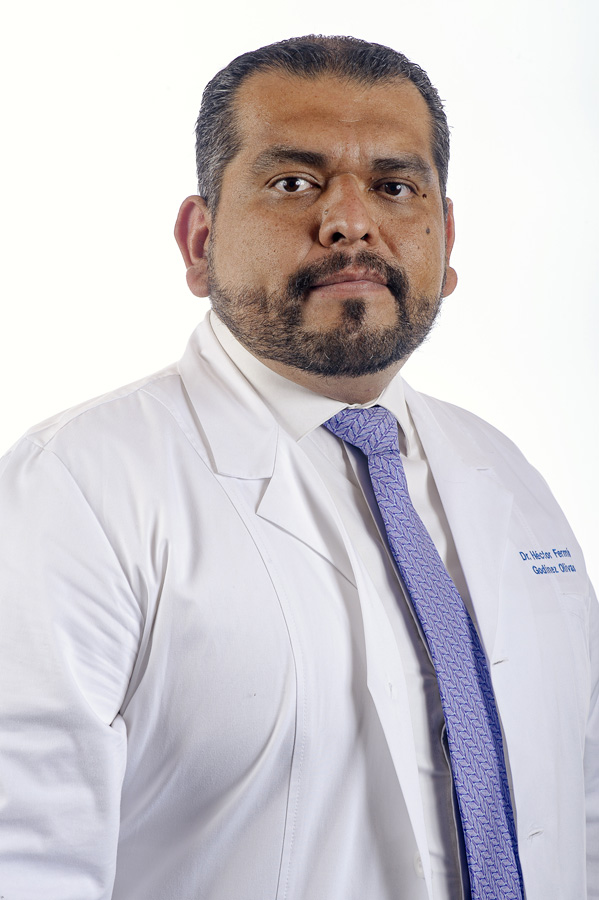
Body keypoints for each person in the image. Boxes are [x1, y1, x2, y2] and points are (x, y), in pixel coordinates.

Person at [0, 34, 597, 900]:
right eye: (293, 182)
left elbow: (578, 802)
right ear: (200, 241)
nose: (350, 221)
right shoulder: (74, 490)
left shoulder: (505, 475)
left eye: (394, 187)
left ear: (446, 241)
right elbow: (24, 859)